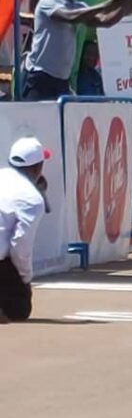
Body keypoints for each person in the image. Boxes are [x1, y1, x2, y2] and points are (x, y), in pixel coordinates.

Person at [22, 0, 132, 101]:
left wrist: (123, 9)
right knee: (35, 118)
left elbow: (103, 21)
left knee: (59, 120)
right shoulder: (48, 1)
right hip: (41, 74)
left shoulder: (78, 6)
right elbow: (70, 17)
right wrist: (105, 5)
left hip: (62, 79)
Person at [0, 137, 49, 322]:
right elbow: (21, 246)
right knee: (19, 309)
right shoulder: (31, 198)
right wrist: (25, 278)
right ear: (38, 168)